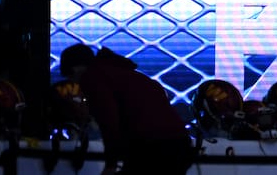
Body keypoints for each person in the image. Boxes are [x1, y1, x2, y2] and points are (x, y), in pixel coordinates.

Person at [78, 46, 193, 175]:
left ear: (76, 69)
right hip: (180, 145)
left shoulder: (93, 76)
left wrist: (111, 164)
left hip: (151, 148)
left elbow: (109, 120)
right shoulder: (138, 77)